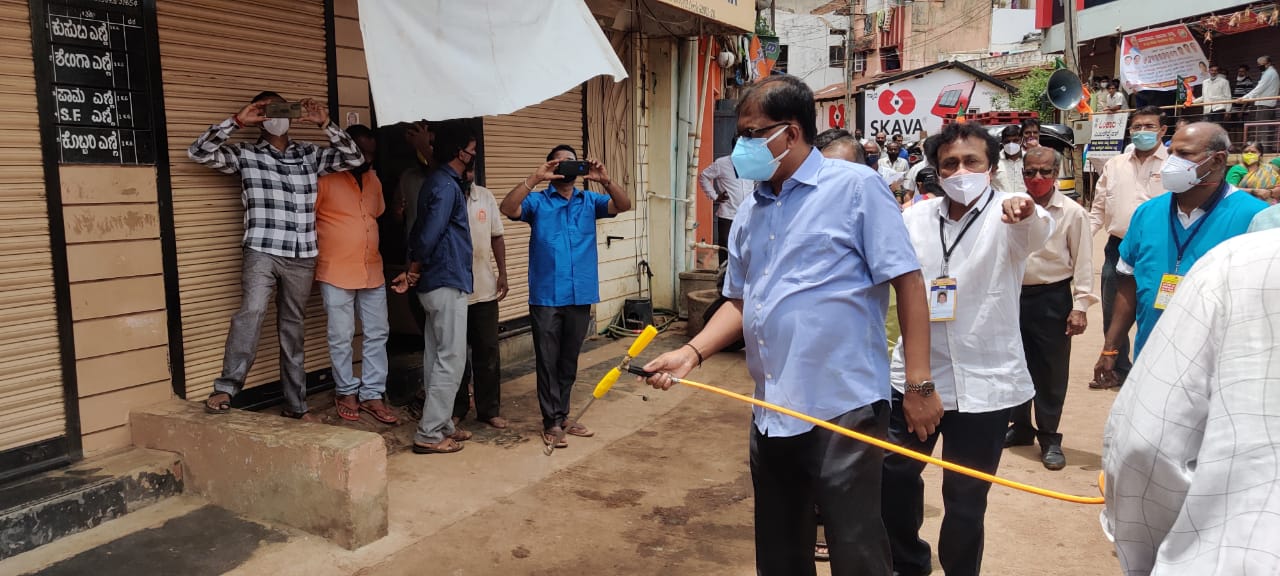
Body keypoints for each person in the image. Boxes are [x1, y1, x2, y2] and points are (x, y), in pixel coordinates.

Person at [640, 74, 934, 576]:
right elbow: (738, 300)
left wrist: (919, 383)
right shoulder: (752, 210)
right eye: (742, 136)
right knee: (779, 549)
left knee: (856, 546)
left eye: (753, 134)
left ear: (791, 132)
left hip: (843, 406)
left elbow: (907, 283)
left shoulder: (856, 187)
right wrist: (691, 353)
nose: (744, 147)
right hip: (771, 407)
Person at [882, 122, 1051, 576]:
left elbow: (1037, 229)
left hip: (985, 385)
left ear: (992, 167)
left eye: (972, 161)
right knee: (892, 476)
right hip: (916, 379)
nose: (961, 171)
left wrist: (1026, 209)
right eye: (950, 163)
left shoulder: (1010, 214)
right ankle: (909, 563)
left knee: (965, 498)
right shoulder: (914, 219)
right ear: (936, 171)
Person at [1101, 229, 1280, 575]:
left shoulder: (1236, 261)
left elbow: (1149, 445)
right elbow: (1126, 278)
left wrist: (1155, 557)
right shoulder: (1148, 217)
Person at [189, 91, 363, 418]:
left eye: (281, 109)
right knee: (251, 312)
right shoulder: (246, 154)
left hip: (302, 254)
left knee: (292, 327)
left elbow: (354, 158)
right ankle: (226, 388)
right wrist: (237, 121)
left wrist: (326, 124)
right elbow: (198, 152)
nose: (276, 116)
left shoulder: (310, 154)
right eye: (268, 111)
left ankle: (296, 405)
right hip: (262, 250)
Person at [1093, 122, 1267, 388]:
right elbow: (1128, 284)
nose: (1171, 162)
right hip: (1150, 361)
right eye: (1171, 152)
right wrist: (1110, 347)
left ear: (1217, 159)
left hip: (1217, 371)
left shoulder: (1255, 218)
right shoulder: (1147, 213)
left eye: (1184, 154)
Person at [498, 145, 631, 448]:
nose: (567, 168)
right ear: (551, 167)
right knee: (547, 361)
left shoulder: (589, 201)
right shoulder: (537, 202)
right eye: (560, 163)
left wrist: (606, 180)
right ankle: (551, 422)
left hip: (579, 292)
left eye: (573, 163)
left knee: (569, 360)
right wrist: (534, 177)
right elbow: (508, 208)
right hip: (546, 295)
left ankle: (563, 415)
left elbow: (624, 205)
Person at [1004, 147, 1095, 471]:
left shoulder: (1071, 212)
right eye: (1031, 172)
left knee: (1050, 370)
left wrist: (1080, 305)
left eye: (1045, 172)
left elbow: (1084, 260)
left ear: (1057, 174)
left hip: (1052, 297)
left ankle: (1049, 437)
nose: (1037, 178)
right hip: (1011, 295)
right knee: (1015, 363)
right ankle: (1021, 427)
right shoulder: (1009, 207)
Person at [392, 121, 478, 455]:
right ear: (460, 153)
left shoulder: (439, 182)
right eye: (471, 149)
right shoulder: (445, 186)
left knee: (435, 355)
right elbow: (428, 235)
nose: (474, 154)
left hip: (436, 279)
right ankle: (429, 434)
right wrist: (413, 271)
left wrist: (414, 272)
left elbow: (421, 233)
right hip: (444, 277)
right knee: (451, 357)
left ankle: (441, 424)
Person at [315, 124, 396, 425]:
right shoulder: (324, 179)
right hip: (335, 269)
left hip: (372, 269)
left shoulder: (373, 179)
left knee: (378, 333)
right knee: (341, 335)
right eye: (361, 152)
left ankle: (372, 393)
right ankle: (346, 390)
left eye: (371, 153)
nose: (366, 158)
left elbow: (375, 215)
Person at [1087, 106, 1169, 389]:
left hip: (1161, 250)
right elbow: (1098, 209)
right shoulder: (1114, 165)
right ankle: (1117, 369)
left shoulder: (1173, 165)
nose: (1142, 132)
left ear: (1162, 130)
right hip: (1118, 248)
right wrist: (1081, 241)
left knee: (1156, 308)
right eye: (1136, 127)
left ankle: (1154, 373)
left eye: (1149, 126)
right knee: (1112, 312)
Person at [449, 165, 510, 430]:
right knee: (455, 355)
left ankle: (488, 410)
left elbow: (497, 237)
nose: (468, 173)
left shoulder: (484, 196)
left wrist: (503, 273)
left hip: (484, 289)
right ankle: (457, 409)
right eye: (464, 168)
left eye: (471, 168)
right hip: (453, 291)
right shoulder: (445, 195)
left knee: (487, 352)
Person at [699, 154, 754, 264]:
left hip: (748, 216)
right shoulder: (722, 163)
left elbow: (757, 182)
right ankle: (723, 279)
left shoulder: (753, 164)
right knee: (726, 252)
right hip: (727, 216)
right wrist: (715, 196)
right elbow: (703, 176)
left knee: (747, 251)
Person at [1242, 55, 1279, 152]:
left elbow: (1259, 88)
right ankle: (1264, 150)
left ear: (1268, 64)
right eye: (1258, 64)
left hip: (1265, 105)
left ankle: (1265, 151)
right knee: (1264, 129)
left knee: (1264, 130)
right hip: (1266, 104)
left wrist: (1245, 98)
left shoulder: (1269, 73)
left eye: (1261, 64)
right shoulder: (1269, 73)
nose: (1259, 66)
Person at [992, 125, 1026, 194]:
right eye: (1007, 141)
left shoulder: (1029, 159)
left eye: (1015, 140)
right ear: (1002, 142)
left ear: (1022, 140)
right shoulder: (993, 160)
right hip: (1000, 203)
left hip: (1025, 202)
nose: (1011, 144)